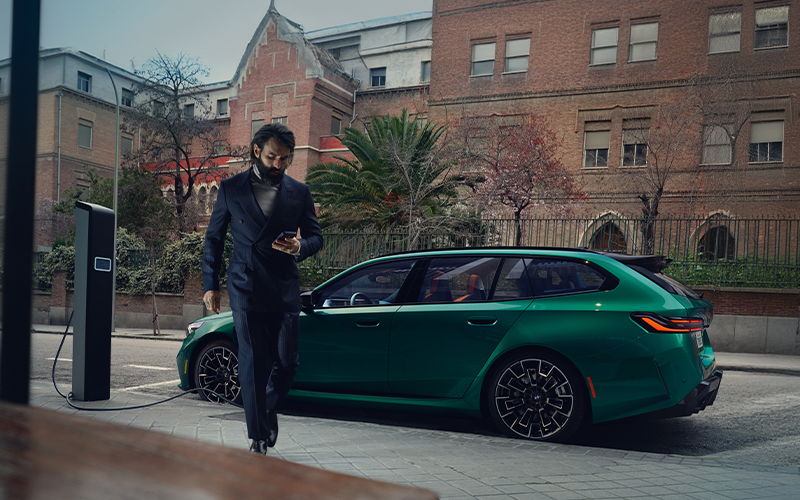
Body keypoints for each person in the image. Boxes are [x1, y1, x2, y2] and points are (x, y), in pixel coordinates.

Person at [202, 123, 322, 455]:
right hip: (246, 285)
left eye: (285, 159)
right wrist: (210, 286)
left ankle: (267, 409)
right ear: (257, 152)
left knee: (287, 362)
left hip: (284, 286)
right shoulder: (231, 188)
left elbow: (316, 237)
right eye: (273, 157)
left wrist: (300, 246)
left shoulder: (299, 191)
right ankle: (258, 437)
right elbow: (214, 240)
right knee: (253, 361)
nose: (279, 165)